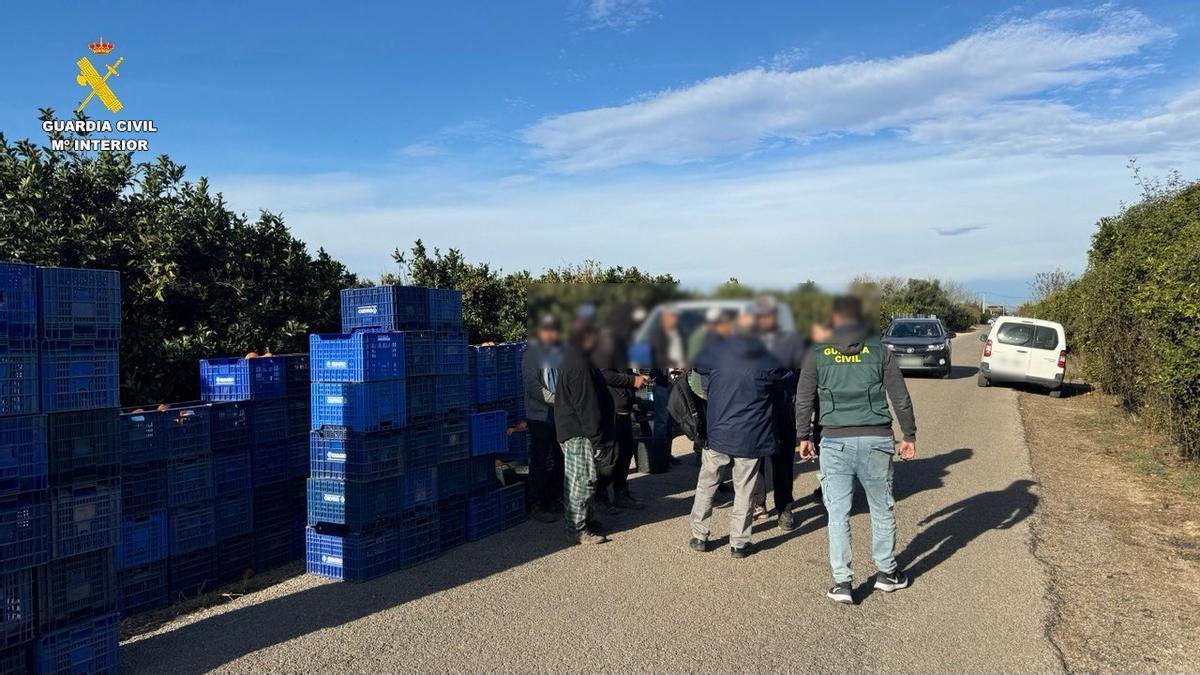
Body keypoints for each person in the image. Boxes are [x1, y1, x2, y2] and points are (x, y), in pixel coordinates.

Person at [795, 296, 917, 604]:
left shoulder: (816, 354)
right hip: (876, 438)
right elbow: (900, 397)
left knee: (838, 513)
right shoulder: (880, 351)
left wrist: (803, 436)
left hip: (835, 440)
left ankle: (843, 582)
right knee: (881, 509)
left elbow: (804, 400)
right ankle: (887, 573)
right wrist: (909, 435)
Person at [689, 312, 790, 558]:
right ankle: (739, 543)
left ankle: (699, 536)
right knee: (744, 489)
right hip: (751, 435)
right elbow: (788, 375)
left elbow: (697, 365)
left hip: (718, 432)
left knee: (707, 484)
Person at [554, 318, 616, 545]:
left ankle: (586, 521)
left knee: (584, 477)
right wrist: (597, 438)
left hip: (579, 430)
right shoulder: (579, 364)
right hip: (578, 432)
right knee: (582, 480)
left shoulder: (579, 360)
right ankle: (577, 528)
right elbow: (586, 405)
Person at [753, 296, 806, 531]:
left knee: (783, 460)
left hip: (783, 407)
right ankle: (758, 503)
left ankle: (784, 507)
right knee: (754, 458)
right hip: (755, 408)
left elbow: (800, 371)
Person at [592, 303, 648, 511]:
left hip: (624, 407)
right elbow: (604, 374)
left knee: (625, 452)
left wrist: (634, 378)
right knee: (611, 456)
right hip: (612, 409)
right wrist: (632, 381)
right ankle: (600, 496)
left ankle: (621, 492)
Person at [522, 313, 566, 523]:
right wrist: (556, 399)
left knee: (561, 457)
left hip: (559, 413)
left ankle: (558, 498)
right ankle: (537, 503)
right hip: (540, 415)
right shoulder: (531, 355)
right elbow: (533, 386)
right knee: (539, 460)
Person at [649, 307, 686, 464]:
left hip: (677, 380)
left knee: (671, 420)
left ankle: (667, 454)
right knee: (661, 420)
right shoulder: (657, 335)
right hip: (663, 381)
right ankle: (658, 458)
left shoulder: (679, 334)